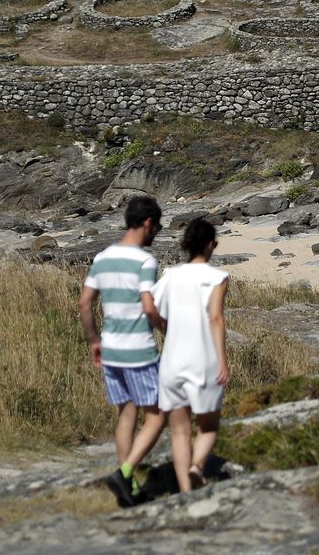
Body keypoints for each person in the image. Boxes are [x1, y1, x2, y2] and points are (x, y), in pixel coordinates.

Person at [79, 196, 166, 507]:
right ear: (146, 224)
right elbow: (148, 305)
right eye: (157, 226)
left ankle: (126, 488)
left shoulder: (102, 257)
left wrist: (93, 340)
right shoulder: (145, 261)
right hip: (138, 350)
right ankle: (125, 471)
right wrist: (166, 327)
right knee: (157, 415)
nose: (157, 232)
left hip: (111, 348)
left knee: (126, 414)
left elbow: (84, 302)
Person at [153, 219, 230, 493]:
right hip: (203, 359)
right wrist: (223, 360)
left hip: (172, 359)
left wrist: (164, 328)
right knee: (208, 426)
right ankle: (197, 466)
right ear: (211, 244)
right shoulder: (218, 277)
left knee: (179, 431)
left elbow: (151, 306)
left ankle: (185, 491)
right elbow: (216, 319)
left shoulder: (171, 275)